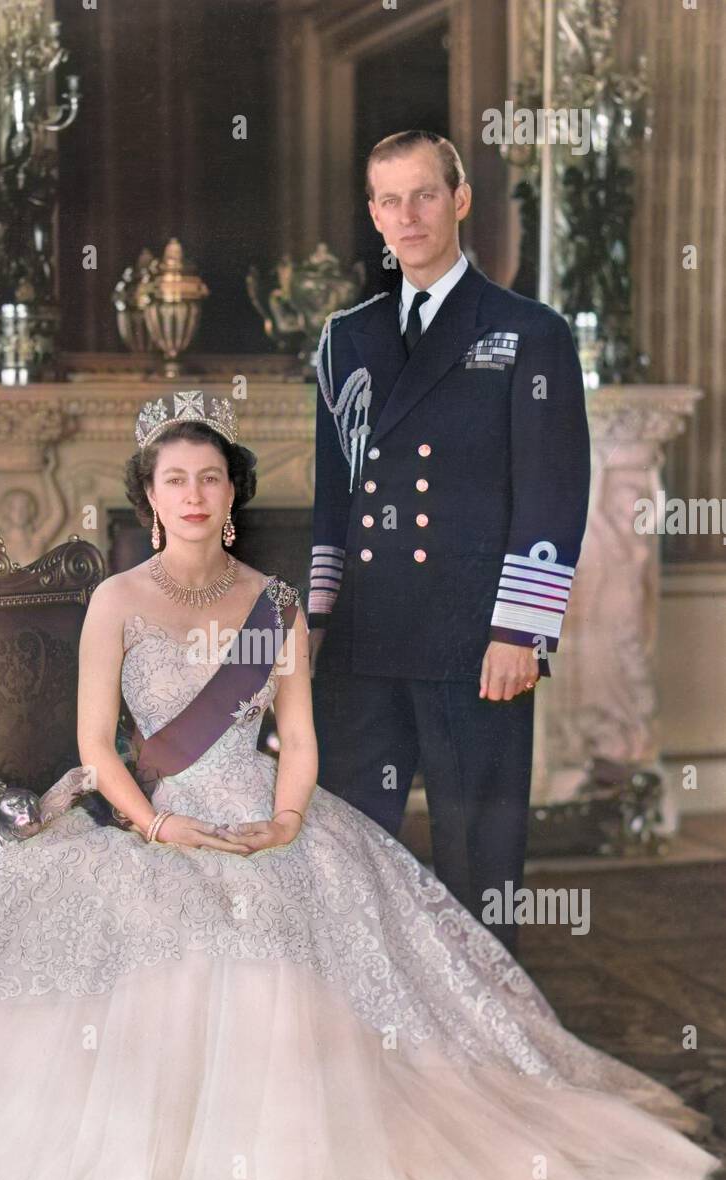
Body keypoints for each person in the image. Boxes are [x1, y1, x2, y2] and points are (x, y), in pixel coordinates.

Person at [0, 390, 718, 1180]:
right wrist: (161, 826)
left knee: (302, 967)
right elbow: (96, 748)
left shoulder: (276, 604)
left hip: (267, 818)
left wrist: (290, 821)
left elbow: (297, 742)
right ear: (149, 495)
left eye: (210, 478)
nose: (192, 495)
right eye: (174, 478)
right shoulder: (117, 604)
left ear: (231, 494)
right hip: (149, 816)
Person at [309, 130, 591, 958]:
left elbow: (553, 492)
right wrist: (318, 625)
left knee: (479, 861)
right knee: (347, 846)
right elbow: (334, 497)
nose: (409, 215)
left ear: (460, 199)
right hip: (365, 637)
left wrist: (522, 632)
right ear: (373, 215)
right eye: (390, 200)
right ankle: (367, 1025)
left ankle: (486, 1036)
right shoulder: (347, 336)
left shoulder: (526, 331)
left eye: (425, 194)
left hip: (476, 638)